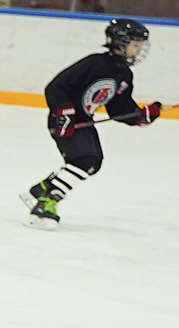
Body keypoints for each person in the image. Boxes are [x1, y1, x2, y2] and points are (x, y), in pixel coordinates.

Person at [28, 18, 160, 222]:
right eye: (135, 45)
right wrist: (63, 113)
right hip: (65, 121)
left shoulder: (124, 75)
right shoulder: (94, 63)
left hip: (84, 121)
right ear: (120, 43)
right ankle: (47, 201)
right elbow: (56, 87)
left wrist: (140, 116)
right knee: (84, 160)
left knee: (93, 162)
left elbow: (119, 108)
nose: (138, 51)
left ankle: (42, 188)